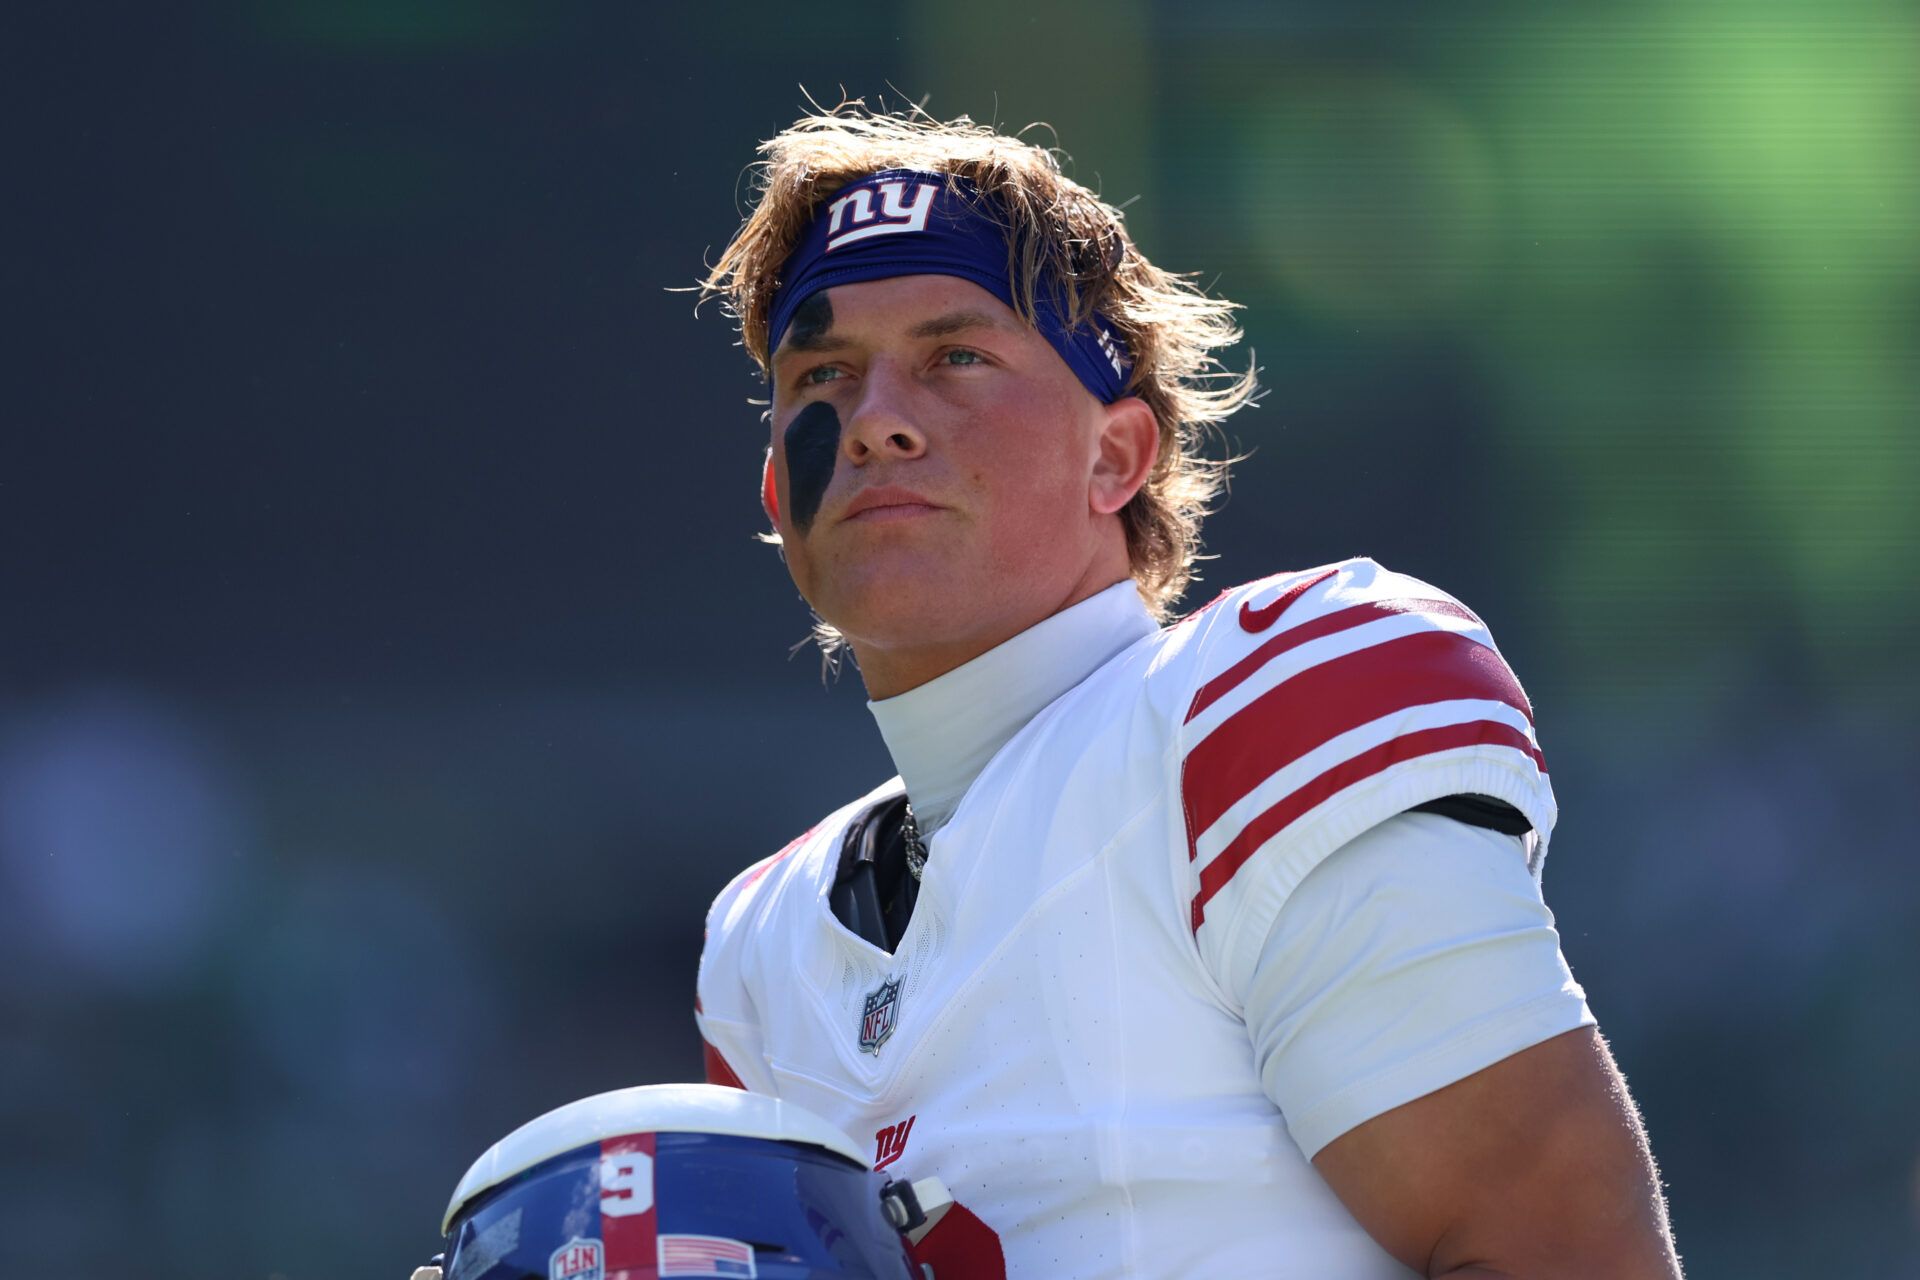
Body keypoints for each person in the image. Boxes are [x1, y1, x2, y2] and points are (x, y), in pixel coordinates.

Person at [693, 104, 1682, 1279]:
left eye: (956, 356)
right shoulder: (763, 943)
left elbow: (1563, 1248)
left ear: (1118, 454)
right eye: (825, 374)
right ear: (775, 491)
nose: (879, 422)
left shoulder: (1259, 705)